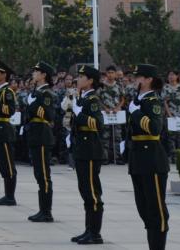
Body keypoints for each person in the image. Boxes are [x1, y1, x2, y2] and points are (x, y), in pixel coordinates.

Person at [126, 64, 169, 250]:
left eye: (139, 77)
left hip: (152, 159)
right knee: (143, 208)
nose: (135, 80)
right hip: (138, 158)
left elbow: (155, 128)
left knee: (156, 210)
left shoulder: (153, 101)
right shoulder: (138, 100)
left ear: (149, 79)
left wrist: (136, 112)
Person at [71, 64, 105, 245]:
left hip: (90, 150)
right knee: (85, 190)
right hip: (82, 149)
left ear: (90, 80)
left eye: (82, 77)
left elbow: (97, 124)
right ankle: (88, 230)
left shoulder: (92, 99)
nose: (78, 79)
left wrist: (79, 114)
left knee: (92, 192)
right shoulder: (83, 98)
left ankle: (95, 233)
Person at [25, 61, 56, 223]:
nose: (34, 74)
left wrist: (33, 104)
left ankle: (46, 211)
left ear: (44, 75)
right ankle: (42, 209)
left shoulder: (46, 93)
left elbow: (48, 115)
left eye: (37, 72)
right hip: (35, 134)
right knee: (39, 174)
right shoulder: (36, 92)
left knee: (44, 175)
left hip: (43, 135)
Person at [0, 61, 18, 206]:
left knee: (8, 164)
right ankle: (7, 195)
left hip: (4, 130)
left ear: (4, 75)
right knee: (1, 163)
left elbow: (10, 110)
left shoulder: (7, 92)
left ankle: (10, 196)